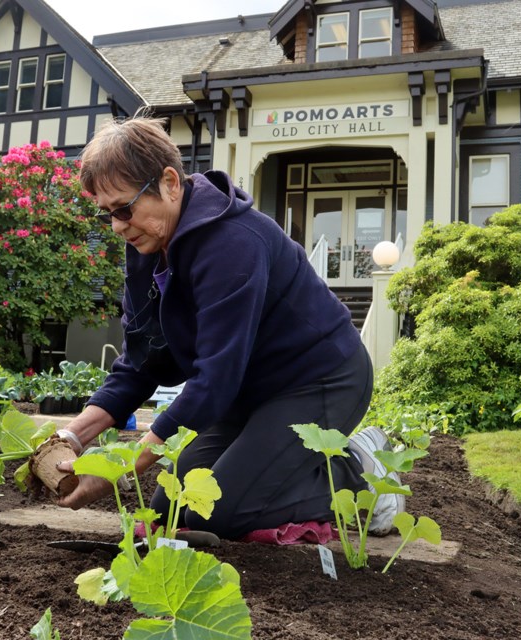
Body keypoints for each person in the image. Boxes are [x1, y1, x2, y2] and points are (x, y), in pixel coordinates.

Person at [52, 114, 403, 540]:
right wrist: (71, 437)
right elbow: (139, 360)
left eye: (124, 208)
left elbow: (214, 379)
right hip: (247, 393)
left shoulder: (233, 243)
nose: (117, 226)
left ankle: (360, 469)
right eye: (106, 214)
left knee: (222, 512)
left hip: (319, 382)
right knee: (173, 506)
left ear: (169, 182)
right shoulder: (146, 244)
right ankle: (291, 460)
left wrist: (122, 468)